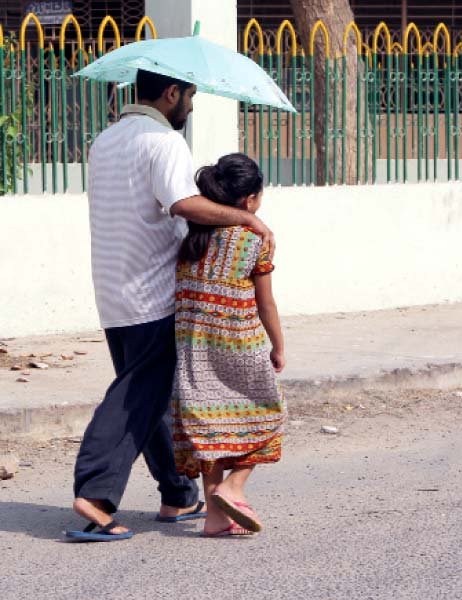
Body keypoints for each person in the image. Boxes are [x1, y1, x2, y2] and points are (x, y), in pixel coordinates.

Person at [67, 70, 275, 542]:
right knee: (136, 394)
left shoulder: (107, 140)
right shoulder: (162, 142)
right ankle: (95, 495)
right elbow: (184, 205)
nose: (192, 106)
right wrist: (246, 218)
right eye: (192, 95)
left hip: (112, 288)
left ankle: (177, 495)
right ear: (172, 93)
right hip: (152, 292)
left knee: (156, 395)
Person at [170, 153, 286, 538]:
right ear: (250, 200)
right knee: (271, 415)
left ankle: (216, 518)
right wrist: (278, 346)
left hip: (193, 351)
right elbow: (265, 302)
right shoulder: (255, 239)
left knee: (209, 433)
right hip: (240, 344)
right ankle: (232, 488)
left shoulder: (191, 239)